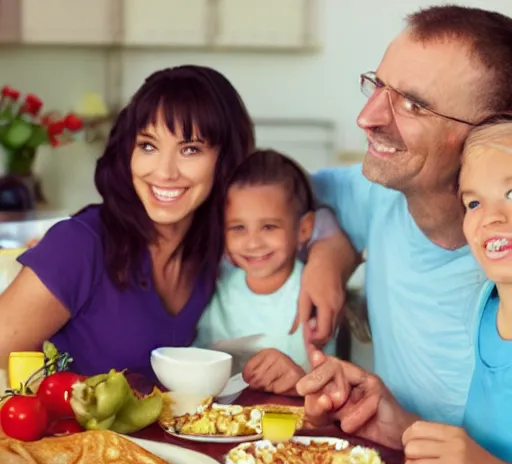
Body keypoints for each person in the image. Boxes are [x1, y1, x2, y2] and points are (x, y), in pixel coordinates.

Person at [298, 4, 512, 425]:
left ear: (491, 135)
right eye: (377, 87)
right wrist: (329, 248)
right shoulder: (382, 194)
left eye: (413, 105)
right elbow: (287, 194)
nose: (366, 118)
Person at [0, 65, 255, 381]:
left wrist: (330, 250)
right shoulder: (79, 244)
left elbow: (298, 201)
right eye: (148, 145)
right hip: (68, 431)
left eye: (190, 149)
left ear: (226, 159)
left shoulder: (216, 252)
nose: (164, 172)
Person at [402, 114, 512, 464]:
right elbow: (471, 456)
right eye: (474, 202)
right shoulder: (481, 311)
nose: (491, 217)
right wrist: (393, 421)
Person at [194, 149, 336, 395]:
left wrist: (297, 381)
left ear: (303, 230)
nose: (253, 243)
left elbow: (330, 387)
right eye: (238, 228)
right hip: (217, 425)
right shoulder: (218, 287)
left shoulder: (314, 290)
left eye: (268, 227)